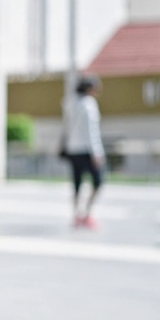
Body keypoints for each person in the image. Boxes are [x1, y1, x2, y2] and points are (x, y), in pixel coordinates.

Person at [63, 75, 106, 229]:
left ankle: (76, 215)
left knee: (77, 183)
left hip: (73, 149)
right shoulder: (89, 104)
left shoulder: (71, 103)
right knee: (98, 181)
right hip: (87, 150)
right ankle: (87, 214)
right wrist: (97, 152)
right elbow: (92, 131)